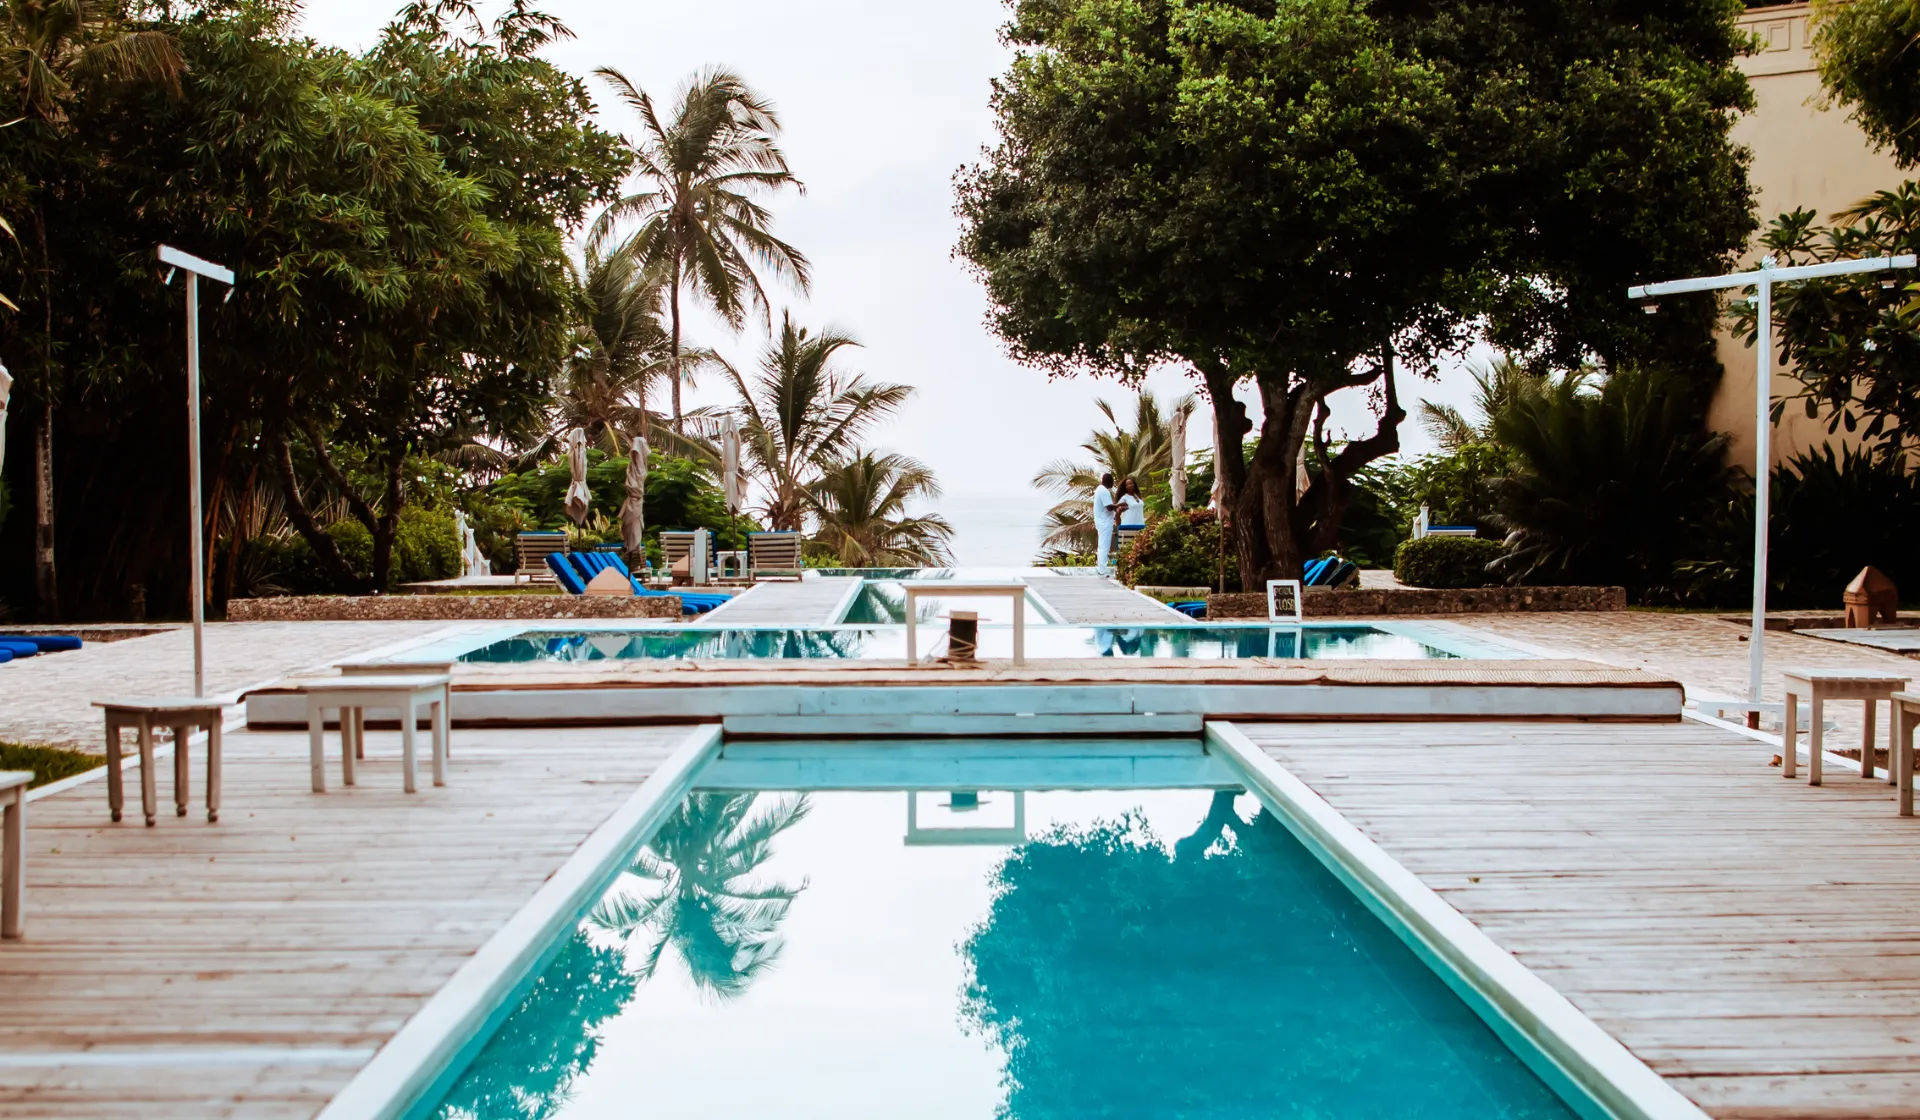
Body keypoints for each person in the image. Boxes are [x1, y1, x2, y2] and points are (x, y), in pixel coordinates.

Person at [1092, 471, 1118, 574]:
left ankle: (1101, 568)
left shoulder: (1099, 489)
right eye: (1112, 482)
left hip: (1101, 521)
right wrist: (1120, 505)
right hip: (1105, 522)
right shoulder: (1104, 491)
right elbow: (1109, 507)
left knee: (1102, 546)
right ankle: (1102, 569)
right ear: (1109, 482)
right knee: (1104, 547)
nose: (1112, 484)